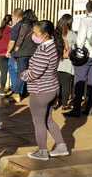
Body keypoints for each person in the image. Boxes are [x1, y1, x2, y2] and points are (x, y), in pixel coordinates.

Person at [20, 20, 69, 161]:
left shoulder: (43, 50)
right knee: (48, 120)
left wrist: (23, 75)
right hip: (51, 88)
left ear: (45, 35)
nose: (33, 36)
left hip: (40, 90)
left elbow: (35, 73)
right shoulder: (54, 45)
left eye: (36, 33)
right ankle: (61, 146)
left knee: (39, 122)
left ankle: (42, 151)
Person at [65, 1, 92, 118]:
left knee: (79, 81)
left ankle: (77, 109)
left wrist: (76, 49)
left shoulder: (85, 20)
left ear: (87, 9)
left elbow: (80, 40)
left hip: (85, 55)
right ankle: (90, 108)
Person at [9, 9, 39, 101]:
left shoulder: (24, 24)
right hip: (34, 52)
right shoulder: (36, 25)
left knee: (21, 73)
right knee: (32, 73)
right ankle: (28, 92)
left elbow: (21, 37)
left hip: (22, 53)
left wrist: (17, 47)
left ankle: (17, 93)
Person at [56, 14, 76, 109]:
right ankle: (64, 104)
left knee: (57, 84)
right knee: (66, 85)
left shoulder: (56, 34)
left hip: (56, 63)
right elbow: (76, 48)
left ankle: (56, 102)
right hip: (67, 64)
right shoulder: (72, 34)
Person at [5, 8, 24, 98]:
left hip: (16, 53)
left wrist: (8, 51)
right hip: (25, 53)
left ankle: (16, 91)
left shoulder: (16, 27)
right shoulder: (27, 25)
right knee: (21, 72)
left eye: (12, 16)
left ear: (15, 16)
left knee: (13, 71)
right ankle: (20, 91)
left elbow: (12, 41)